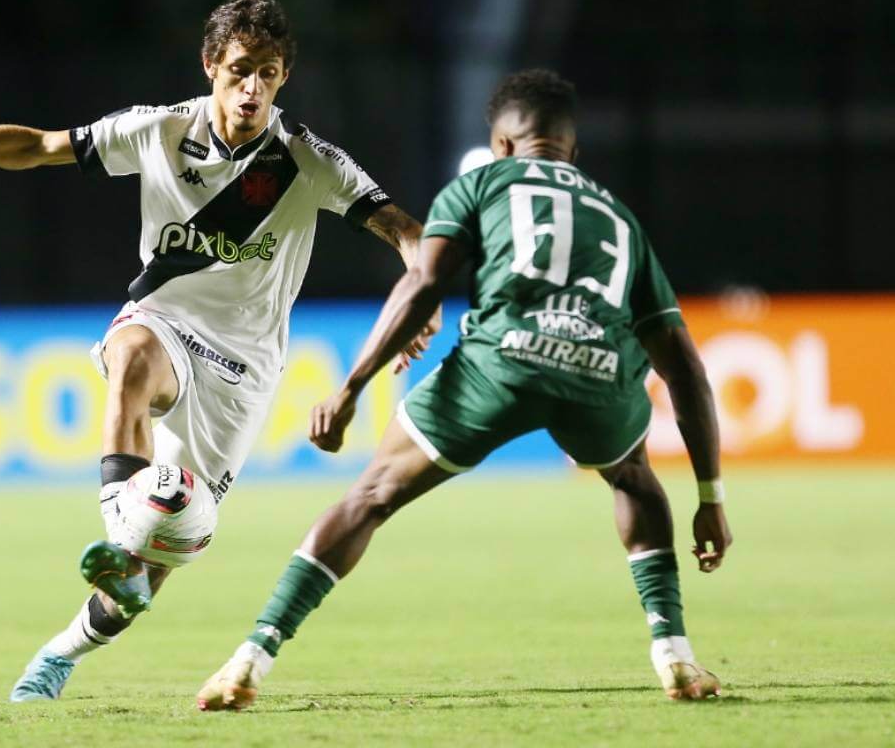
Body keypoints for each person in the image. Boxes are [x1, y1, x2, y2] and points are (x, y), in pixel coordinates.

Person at [0, 0, 439, 702]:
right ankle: (121, 519)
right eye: (240, 70)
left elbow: (406, 230)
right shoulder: (156, 131)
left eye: (269, 74)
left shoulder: (308, 161)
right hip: (167, 322)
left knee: (155, 568)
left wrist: (420, 287)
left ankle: (65, 647)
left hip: (242, 375)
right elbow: (34, 146)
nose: (252, 89)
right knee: (133, 356)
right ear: (210, 65)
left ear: (283, 78)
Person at [197, 69, 732, 710]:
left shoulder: (480, 183)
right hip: (596, 373)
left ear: (502, 144)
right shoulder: (620, 220)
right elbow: (685, 370)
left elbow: (424, 284)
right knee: (634, 479)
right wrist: (710, 496)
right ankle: (675, 656)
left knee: (372, 494)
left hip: (500, 364)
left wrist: (350, 389)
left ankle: (248, 661)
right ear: (573, 149)